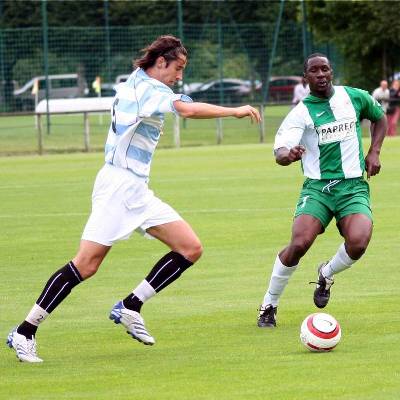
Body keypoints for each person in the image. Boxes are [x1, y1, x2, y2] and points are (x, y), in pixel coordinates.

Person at [6, 35, 261, 363]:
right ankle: (25, 331)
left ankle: (130, 306)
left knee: (190, 247)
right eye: (177, 68)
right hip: (117, 186)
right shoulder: (150, 90)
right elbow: (186, 110)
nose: (179, 75)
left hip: (136, 188)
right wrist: (235, 110)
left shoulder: (134, 84)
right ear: (160, 63)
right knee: (86, 264)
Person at [256, 53, 387, 328]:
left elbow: (379, 117)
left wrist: (374, 151)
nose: (320, 74)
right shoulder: (301, 112)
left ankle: (326, 274)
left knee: (359, 241)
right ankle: (269, 304)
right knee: (299, 243)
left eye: (324, 69)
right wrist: (288, 155)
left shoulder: (354, 97)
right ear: (306, 78)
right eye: (314, 71)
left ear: (331, 72)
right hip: (318, 189)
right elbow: (279, 151)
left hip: (353, 186)